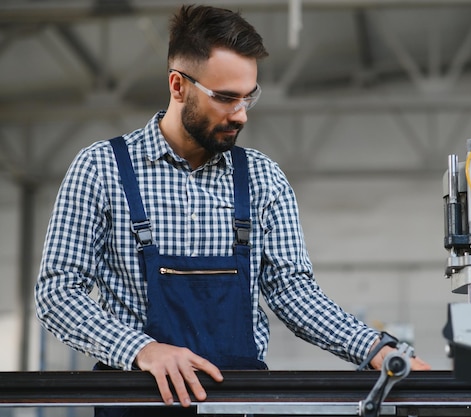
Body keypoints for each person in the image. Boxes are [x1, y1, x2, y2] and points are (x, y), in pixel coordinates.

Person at [35, 4, 430, 416]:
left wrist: (378, 351)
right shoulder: (101, 168)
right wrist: (143, 350)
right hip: (136, 400)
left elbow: (292, 291)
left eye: (248, 97)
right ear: (177, 85)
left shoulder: (262, 178)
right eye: (225, 98)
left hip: (239, 401)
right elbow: (58, 292)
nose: (240, 114)